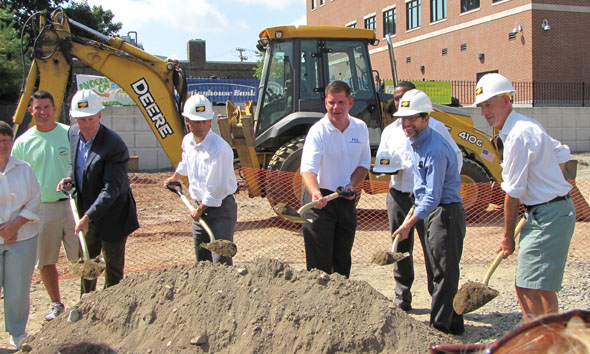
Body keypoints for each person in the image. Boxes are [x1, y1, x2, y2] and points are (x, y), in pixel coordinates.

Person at [473, 73, 575, 323]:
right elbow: (562, 152)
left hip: (549, 214)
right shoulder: (526, 125)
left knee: (527, 286)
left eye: (489, 104)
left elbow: (512, 193)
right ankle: (554, 340)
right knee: (543, 286)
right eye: (482, 106)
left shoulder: (518, 134)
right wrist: (551, 184)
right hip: (553, 211)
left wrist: (508, 238)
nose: (485, 112)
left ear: (507, 101)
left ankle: (538, 341)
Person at [375, 81, 462, 312]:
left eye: (404, 98)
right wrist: (387, 168)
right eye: (396, 99)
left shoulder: (437, 129)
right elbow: (383, 159)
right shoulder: (390, 131)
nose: (400, 104)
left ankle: (438, 298)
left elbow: (454, 158)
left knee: (434, 250)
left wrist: (442, 179)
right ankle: (402, 295)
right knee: (400, 247)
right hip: (399, 195)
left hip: (428, 200)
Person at [392, 89, 466, 335]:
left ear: (426, 118)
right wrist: (416, 191)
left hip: (445, 214)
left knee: (443, 273)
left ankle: (439, 329)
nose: (406, 123)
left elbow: (434, 197)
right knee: (439, 270)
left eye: (412, 118)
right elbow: (425, 185)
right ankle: (454, 324)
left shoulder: (434, 148)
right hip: (434, 210)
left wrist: (408, 224)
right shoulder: (416, 141)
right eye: (403, 118)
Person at [57, 89, 139, 295]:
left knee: (112, 269)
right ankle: (86, 302)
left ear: (100, 116)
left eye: (90, 119)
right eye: (80, 119)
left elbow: (111, 189)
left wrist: (88, 217)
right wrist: (69, 178)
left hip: (113, 215)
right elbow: (76, 164)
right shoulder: (73, 133)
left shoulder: (114, 145)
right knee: (87, 262)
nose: (85, 125)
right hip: (87, 213)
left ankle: (112, 306)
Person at [11, 91, 79, 322]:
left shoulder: (70, 134)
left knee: (80, 257)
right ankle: (56, 304)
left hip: (72, 206)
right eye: (37, 108)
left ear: (54, 108)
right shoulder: (22, 143)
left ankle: (86, 300)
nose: (42, 112)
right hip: (42, 210)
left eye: (46, 107)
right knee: (46, 259)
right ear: (31, 111)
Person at [300, 80, 371, 277]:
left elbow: (363, 164)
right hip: (319, 201)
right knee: (319, 263)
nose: (335, 107)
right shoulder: (318, 131)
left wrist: (351, 186)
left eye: (340, 102)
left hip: (345, 199)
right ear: (325, 103)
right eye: (331, 102)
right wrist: (315, 192)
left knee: (342, 260)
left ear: (350, 102)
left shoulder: (360, 128)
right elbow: (308, 169)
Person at [162, 94, 237, 265]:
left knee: (220, 260)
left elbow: (216, 189)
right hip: (199, 206)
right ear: (187, 121)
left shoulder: (220, 149)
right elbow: (186, 161)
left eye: (204, 121)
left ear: (210, 120)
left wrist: (200, 209)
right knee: (202, 258)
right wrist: (175, 177)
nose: (201, 126)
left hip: (220, 209)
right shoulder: (188, 141)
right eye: (196, 122)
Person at [0, 121, 41, 350]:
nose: (2, 145)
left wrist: (15, 225)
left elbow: (35, 199)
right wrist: (4, 229)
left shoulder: (24, 168)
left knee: (18, 288)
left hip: (23, 237)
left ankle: (17, 332)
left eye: (6, 140)